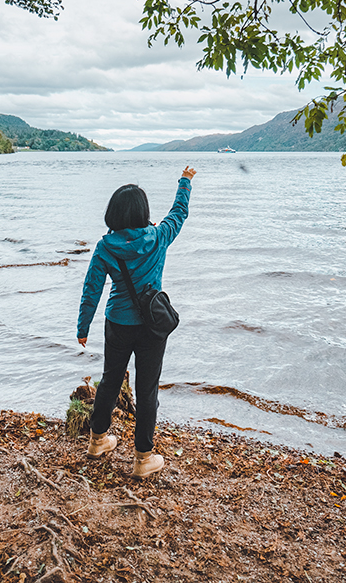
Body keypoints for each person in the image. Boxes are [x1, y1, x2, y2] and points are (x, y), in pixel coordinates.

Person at [77, 166, 197, 479]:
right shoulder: (158, 237)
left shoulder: (106, 247)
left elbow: (92, 288)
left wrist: (82, 328)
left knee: (109, 382)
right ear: (143, 212)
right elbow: (179, 213)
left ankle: (97, 443)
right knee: (147, 391)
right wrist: (185, 181)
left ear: (113, 213)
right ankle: (143, 458)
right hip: (151, 326)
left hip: (117, 322)